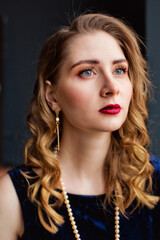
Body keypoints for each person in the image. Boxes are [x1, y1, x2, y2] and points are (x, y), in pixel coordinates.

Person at [0, 13, 160, 240]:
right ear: (52, 95)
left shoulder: (155, 184)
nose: (111, 87)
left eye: (119, 70)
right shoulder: (13, 198)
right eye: (87, 72)